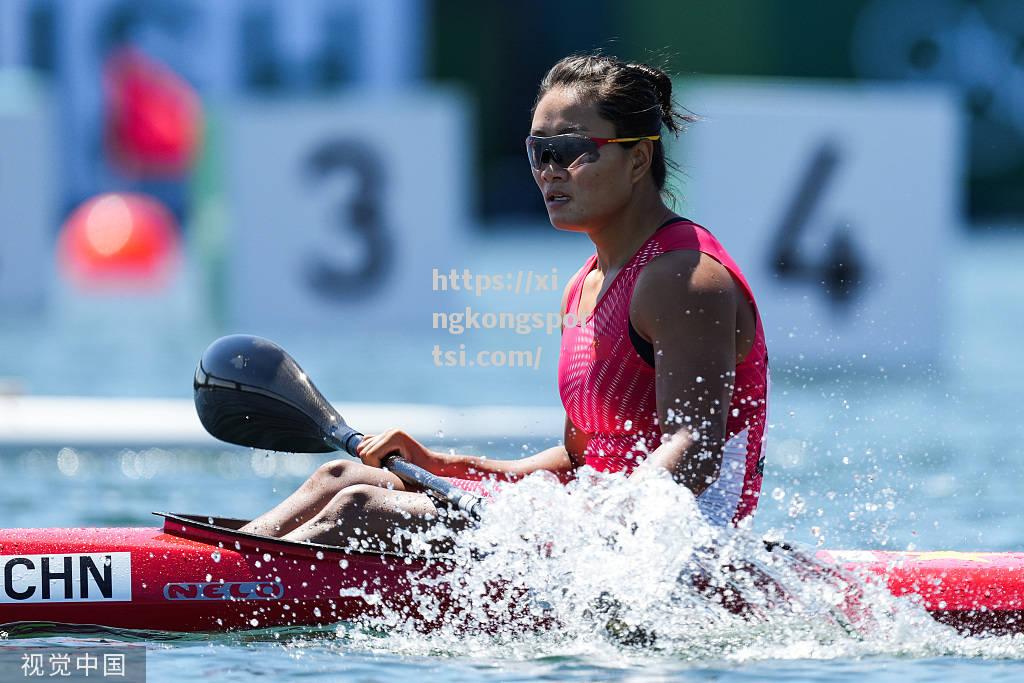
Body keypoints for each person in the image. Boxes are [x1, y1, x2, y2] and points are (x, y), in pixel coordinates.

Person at [239, 52, 768, 548]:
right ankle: (199, 565)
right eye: (539, 151)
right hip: (589, 527)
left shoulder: (685, 276)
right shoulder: (584, 285)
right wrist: (441, 463)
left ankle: (211, 589)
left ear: (638, 159)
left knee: (359, 505)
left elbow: (694, 453)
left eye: (570, 150)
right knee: (341, 476)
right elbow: (575, 463)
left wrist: (583, 526)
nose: (549, 171)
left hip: (673, 547)